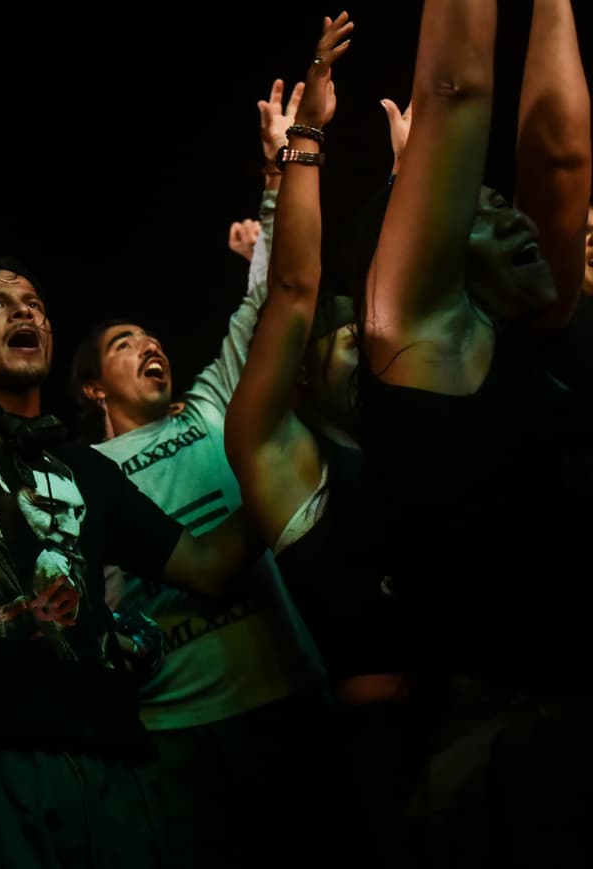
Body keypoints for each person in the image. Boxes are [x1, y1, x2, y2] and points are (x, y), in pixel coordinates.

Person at [0, 43, 258, 868]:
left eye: (34, 302)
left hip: (109, 765)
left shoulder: (91, 472)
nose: (23, 309)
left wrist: (280, 462)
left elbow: (212, 567)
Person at [68, 74, 334, 868]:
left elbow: (266, 297)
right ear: (92, 386)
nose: (150, 346)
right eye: (124, 343)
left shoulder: (213, 403)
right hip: (175, 731)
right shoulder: (82, 469)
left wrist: (278, 178)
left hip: (291, 698)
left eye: (153, 338)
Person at [357, 0, 593, 863]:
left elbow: (560, 157)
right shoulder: (425, 340)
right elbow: (456, 87)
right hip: (509, 749)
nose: (519, 218)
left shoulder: (549, 333)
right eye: (482, 211)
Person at [224, 16, 421, 865]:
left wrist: (416, 176)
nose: (359, 340)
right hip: (379, 756)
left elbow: (419, 292)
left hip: (481, 714)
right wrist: (305, 138)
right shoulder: (282, 457)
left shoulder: (407, 434)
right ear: (294, 374)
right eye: (338, 336)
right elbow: (298, 289)